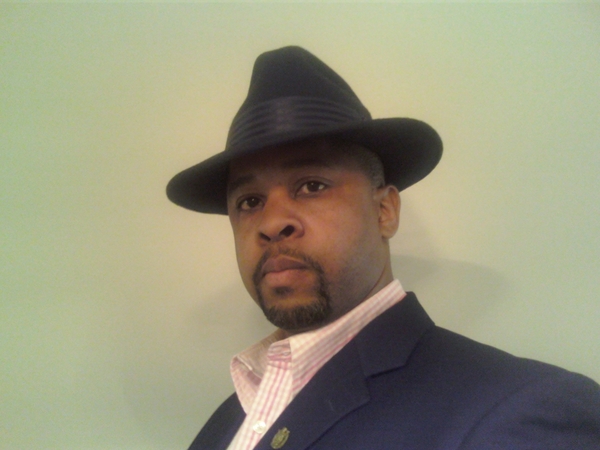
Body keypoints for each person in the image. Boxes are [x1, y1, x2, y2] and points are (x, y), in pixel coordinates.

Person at [167, 46, 600, 450]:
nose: (271, 222)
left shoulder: (522, 409)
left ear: (385, 211)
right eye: (249, 202)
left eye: (312, 185)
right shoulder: (228, 419)